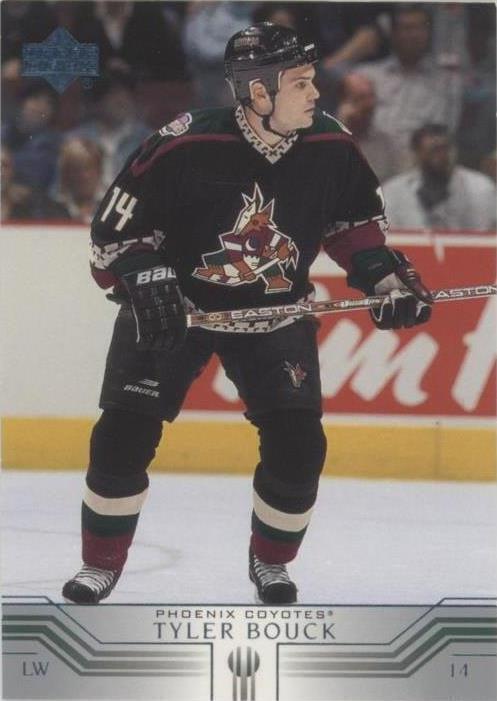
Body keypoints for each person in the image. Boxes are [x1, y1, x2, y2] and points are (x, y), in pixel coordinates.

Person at [62, 22, 433, 606]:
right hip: (175, 312)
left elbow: (354, 226)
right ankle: (99, 564)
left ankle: (271, 563)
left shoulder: (330, 145)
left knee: (299, 446)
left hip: (274, 315)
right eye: (301, 83)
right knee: (121, 436)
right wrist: (142, 275)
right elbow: (113, 236)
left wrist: (383, 278)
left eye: (312, 80)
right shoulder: (184, 142)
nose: (316, 93)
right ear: (259, 92)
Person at [357, 4, 463, 173]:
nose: (414, 35)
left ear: (429, 33)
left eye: (420, 28)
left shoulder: (446, 81)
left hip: (423, 169)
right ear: (392, 33)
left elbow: (444, 130)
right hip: (373, 164)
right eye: (407, 28)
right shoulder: (367, 76)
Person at [382, 123, 496, 231]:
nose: (442, 156)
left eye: (445, 149)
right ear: (416, 154)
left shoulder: (480, 188)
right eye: (434, 150)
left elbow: (489, 234)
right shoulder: (393, 192)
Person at [335, 72, 400, 182]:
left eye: (371, 96)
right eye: (361, 98)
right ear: (344, 102)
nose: (370, 104)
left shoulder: (385, 140)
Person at [52, 138, 106, 224]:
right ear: (66, 174)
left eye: (88, 167)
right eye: (76, 169)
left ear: (99, 170)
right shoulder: (52, 209)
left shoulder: (111, 204)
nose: (83, 176)